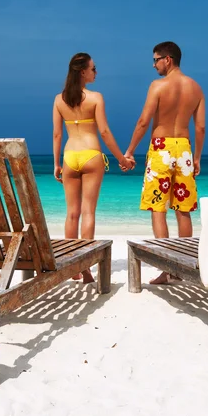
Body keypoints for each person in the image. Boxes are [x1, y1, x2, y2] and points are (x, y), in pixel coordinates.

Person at [124, 41, 205, 284]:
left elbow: (143, 122)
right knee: (183, 209)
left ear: (168, 59)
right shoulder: (196, 88)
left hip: (161, 148)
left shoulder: (158, 86)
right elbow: (200, 127)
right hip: (184, 149)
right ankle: (183, 268)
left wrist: (129, 151)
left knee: (158, 209)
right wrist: (198, 156)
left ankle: (167, 268)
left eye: (156, 60)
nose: (154, 65)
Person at [53, 52, 134, 283]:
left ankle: (71, 266)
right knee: (88, 212)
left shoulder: (59, 100)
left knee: (72, 213)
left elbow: (58, 134)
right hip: (91, 155)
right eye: (93, 68)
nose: (96, 72)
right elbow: (105, 133)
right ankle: (86, 267)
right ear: (83, 72)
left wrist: (56, 163)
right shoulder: (96, 97)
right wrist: (121, 158)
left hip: (69, 156)